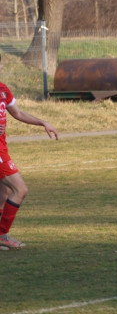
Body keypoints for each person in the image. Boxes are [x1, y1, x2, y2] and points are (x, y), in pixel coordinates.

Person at [0, 54, 59, 250]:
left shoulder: (2, 90)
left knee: (5, 191)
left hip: (3, 149)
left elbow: (18, 113)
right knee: (20, 190)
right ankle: (2, 235)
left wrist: (43, 122)